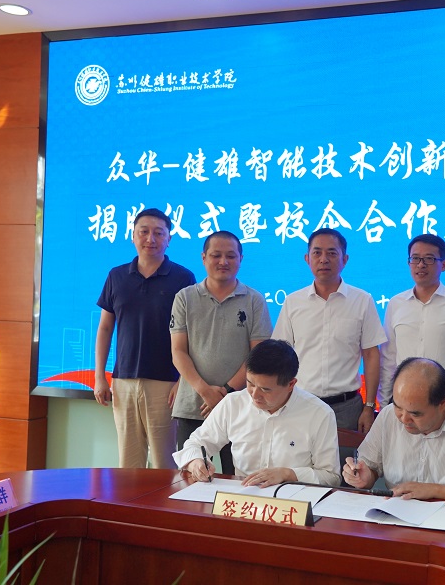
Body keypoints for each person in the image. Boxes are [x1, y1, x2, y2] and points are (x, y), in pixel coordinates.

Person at [94, 208, 196, 469]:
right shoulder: (116, 276)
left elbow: (194, 334)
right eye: (144, 232)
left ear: (168, 239)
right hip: (123, 380)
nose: (151, 238)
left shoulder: (183, 278)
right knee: (129, 462)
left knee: (164, 462)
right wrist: (99, 377)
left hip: (166, 383)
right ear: (133, 236)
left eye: (158, 233)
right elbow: (105, 328)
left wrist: (183, 381)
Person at [343, 357, 445, 506]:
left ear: (442, 403)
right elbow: (369, 468)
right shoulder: (388, 416)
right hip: (397, 518)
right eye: (398, 407)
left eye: (415, 414)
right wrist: (363, 476)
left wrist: (436, 491)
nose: (403, 419)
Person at [170, 231, 272, 473]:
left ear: (240, 259)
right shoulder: (185, 298)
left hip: (241, 407)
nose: (223, 261)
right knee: (191, 475)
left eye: (230, 256)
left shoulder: (254, 300)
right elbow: (178, 352)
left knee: (237, 478)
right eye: (216, 255)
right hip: (192, 404)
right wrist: (206, 391)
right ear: (204, 257)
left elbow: (257, 355)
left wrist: (226, 392)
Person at [175, 339, 341, 487]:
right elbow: (194, 444)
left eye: (265, 389)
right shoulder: (233, 404)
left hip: (295, 502)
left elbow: (331, 477)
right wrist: (196, 462)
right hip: (243, 499)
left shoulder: (319, 413)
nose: (254, 395)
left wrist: (287, 474)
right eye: (250, 384)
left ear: (291, 384)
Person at [273, 228, 386, 432]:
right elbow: (280, 356)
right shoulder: (293, 302)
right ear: (307, 258)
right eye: (317, 253)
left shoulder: (362, 301)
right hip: (301, 405)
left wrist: (369, 406)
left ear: (345, 259)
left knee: (347, 454)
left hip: (347, 408)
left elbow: (371, 355)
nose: (323, 259)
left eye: (332, 253)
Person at [380, 233, 445, 406]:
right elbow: (388, 360)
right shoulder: (396, 303)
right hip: (402, 399)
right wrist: (385, 404)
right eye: (415, 258)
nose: (421, 264)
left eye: (429, 259)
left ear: (443, 265)